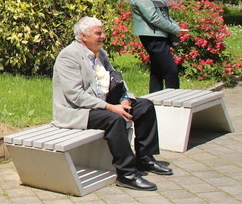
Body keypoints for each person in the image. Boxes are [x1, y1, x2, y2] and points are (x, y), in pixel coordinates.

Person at [52, 16, 173, 191]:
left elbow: (115, 79)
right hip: (77, 111)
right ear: (83, 36)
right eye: (98, 33)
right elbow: (75, 95)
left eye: (103, 32)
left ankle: (145, 158)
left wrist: (124, 98)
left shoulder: (100, 53)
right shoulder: (69, 56)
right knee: (114, 119)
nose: (103, 36)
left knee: (144, 106)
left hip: (104, 103)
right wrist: (110, 107)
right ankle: (126, 174)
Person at [123, 0, 188, 93]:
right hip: (152, 36)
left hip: (157, 34)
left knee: (157, 71)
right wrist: (174, 29)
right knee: (171, 70)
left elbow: (162, 13)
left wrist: (175, 26)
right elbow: (153, 17)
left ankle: (154, 101)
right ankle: (174, 100)